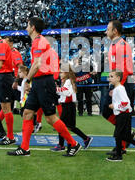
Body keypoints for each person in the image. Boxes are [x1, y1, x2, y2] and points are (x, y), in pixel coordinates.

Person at [7, 17, 81, 157]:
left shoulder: (39, 41)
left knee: (50, 118)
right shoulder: (38, 41)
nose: (26, 28)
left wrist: (27, 79)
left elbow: (37, 63)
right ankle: (24, 148)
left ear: (33, 27)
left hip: (44, 82)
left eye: (28, 25)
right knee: (28, 113)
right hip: (40, 81)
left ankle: (73, 143)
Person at [102, 20, 135, 156]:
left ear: (115, 31)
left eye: (108, 29)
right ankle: (127, 135)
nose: (106, 31)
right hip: (120, 81)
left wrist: (117, 86)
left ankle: (122, 145)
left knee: (118, 114)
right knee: (109, 111)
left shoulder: (120, 45)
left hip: (123, 82)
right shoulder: (115, 45)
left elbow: (122, 69)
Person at [50, 66, 93, 152]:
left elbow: (67, 93)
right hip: (69, 106)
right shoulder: (67, 81)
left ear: (66, 73)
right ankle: (86, 138)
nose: (59, 74)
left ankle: (61, 145)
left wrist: (55, 89)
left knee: (61, 126)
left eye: (61, 72)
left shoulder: (68, 81)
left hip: (68, 106)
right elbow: (65, 94)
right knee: (71, 127)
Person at [106, 70, 135, 162]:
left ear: (118, 78)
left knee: (118, 135)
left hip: (123, 114)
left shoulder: (119, 89)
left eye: (112, 76)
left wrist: (114, 106)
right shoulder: (118, 89)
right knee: (123, 135)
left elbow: (125, 103)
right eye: (109, 76)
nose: (109, 78)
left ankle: (118, 155)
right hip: (123, 114)